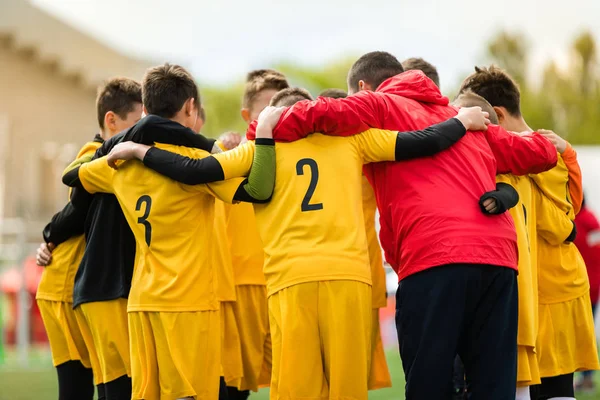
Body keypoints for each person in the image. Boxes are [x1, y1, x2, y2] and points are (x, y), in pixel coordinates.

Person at [105, 83, 493, 399]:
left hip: (290, 281)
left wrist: (140, 149)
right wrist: (462, 120)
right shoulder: (354, 139)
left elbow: (194, 170)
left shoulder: (260, 147)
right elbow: (424, 141)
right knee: (346, 391)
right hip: (348, 277)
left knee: (296, 391)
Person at [244, 51, 559, 400]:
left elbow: (319, 113)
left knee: (429, 384)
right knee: (493, 388)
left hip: (432, 257)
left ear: (364, 88)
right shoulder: (461, 117)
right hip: (497, 259)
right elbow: (541, 154)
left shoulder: (379, 106)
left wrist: (263, 126)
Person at [62, 63, 278, 400]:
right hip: (188, 303)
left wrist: (120, 146)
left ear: (145, 109)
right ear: (191, 107)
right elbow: (258, 189)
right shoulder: (198, 157)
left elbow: (75, 176)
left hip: (142, 301)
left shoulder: (118, 166)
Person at [459, 65, 600, 400]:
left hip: (539, 290)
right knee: (557, 388)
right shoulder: (559, 151)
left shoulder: (514, 154)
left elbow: (558, 223)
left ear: (496, 114)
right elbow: (572, 212)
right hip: (560, 285)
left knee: (535, 388)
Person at [35, 78, 143, 400]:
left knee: (104, 383)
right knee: (79, 389)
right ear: (111, 121)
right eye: (137, 122)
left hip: (81, 283)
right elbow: (78, 210)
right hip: (64, 285)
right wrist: (50, 234)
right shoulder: (95, 154)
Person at [318, 87, 392, 391]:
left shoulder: (362, 147)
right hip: (350, 270)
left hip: (358, 271)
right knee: (340, 377)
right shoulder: (360, 147)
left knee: (346, 378)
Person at [574, 195, 600, 393]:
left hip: (579, 289)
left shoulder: (576, 223)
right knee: (587, 334)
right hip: (593, 288)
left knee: (579, 335)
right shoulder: (592, 221)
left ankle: (586, 378)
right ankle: (587, 378)